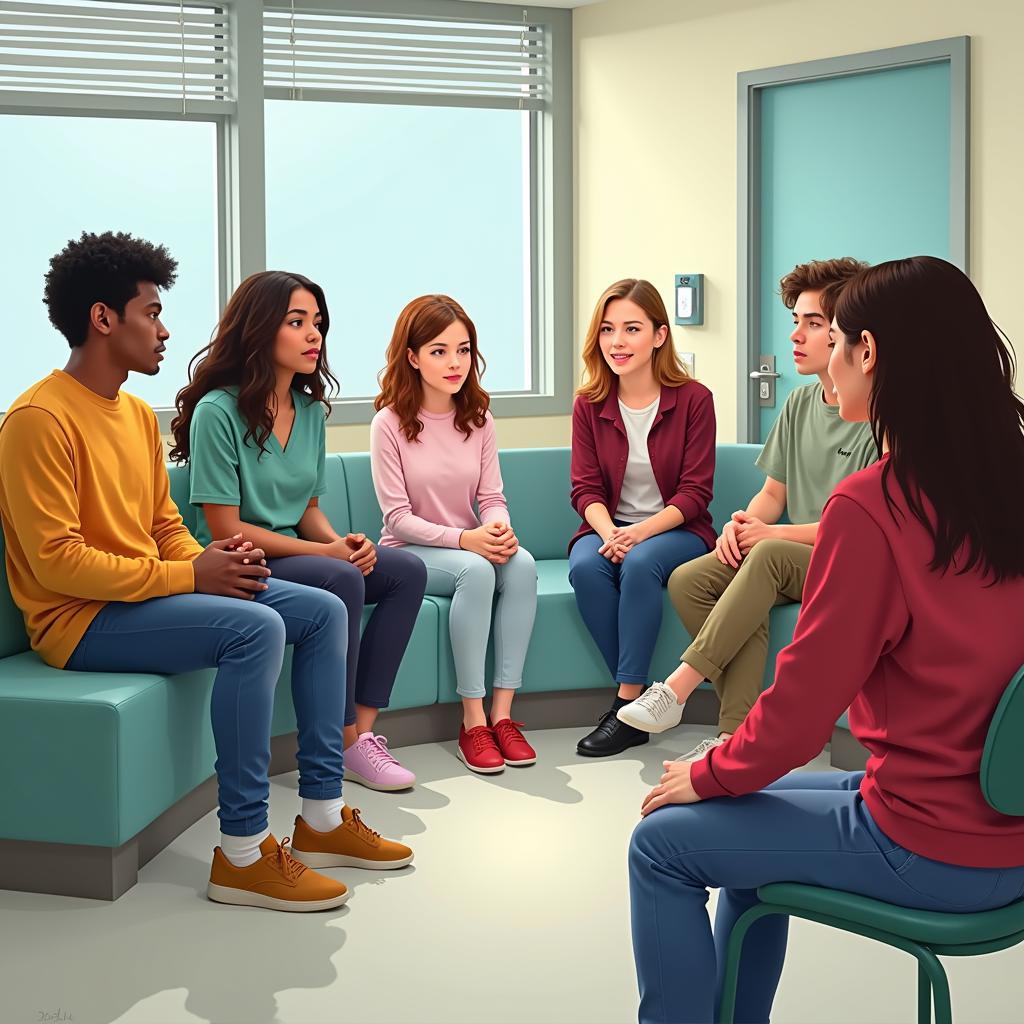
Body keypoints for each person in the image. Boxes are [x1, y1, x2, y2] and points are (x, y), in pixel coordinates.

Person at [628, 256, 1024, 1024]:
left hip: (931, 844)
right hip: (1000, 833)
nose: (827, 358)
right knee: (743, 824)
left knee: (663, 843)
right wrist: (726, 774)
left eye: (835, 338)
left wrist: (710, 773)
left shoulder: (875, 505)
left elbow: (802, 713)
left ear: (868, 352)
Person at [0, 232, 410, 914]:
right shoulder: (37, 420)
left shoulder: (132, 413)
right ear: (104, 319)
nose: (164, 332)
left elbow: (162, 525)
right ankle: (244, 852)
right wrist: (191, 579)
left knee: (323, 610)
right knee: (252, 631)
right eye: (151, 314)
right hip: (79, 621)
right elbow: (58, 563)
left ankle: (323, 815)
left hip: (139, 598)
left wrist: (212, 562)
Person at [171, 271, 428, 792]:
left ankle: (364, 729)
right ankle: (345, 740)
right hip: (240, 557)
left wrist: (344, 542)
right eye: (296, 322)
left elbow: (308, 507)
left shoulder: (309, 410)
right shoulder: (217, 412)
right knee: (342, 580)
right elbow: (224, 525)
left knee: (404, 571)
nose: (314, 335)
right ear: (260, 329)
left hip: (297, 549)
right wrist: (328, 553)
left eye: (318, 323)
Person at [616, 259, 875, 756]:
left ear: (849, 335)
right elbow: (773, 494)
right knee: (691, 579)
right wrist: (746, 522)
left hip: (842, 557)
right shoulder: (800, 403)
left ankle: (678, 690)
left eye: (815, 324)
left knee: (766, 559)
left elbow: (853, 529)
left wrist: (769, 536)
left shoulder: (874, 415)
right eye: (795, 321)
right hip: (790, 552)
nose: (797, 335)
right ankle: (737, 734)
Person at [370, 294, 538, 775]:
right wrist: (467, 541)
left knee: (522, 564)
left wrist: (498, 528)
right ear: (412, 356)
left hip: (470, 544)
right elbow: (397, 518)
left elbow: (491, 496)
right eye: (439, 350)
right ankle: (472, 721)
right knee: (478, 572)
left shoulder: (479, 418)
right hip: (413, 551)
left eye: (463, 350)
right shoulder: (389, 424)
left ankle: (504, 716)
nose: (454, 362)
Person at [568, 279, 716, 758]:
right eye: (608, 329)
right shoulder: (588, 404)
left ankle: (625, 707)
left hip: (677, 530)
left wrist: (636, 535)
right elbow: (585, 488)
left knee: (639, 563)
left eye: (632, 329)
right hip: (607, 527)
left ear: (658, 335)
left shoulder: (694, 399)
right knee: (586, 567)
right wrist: (610, 532)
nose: (617, 342)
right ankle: (644, 700)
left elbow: (695, 494)